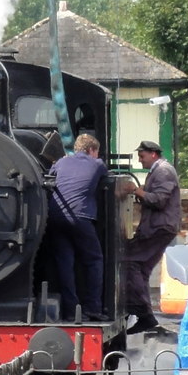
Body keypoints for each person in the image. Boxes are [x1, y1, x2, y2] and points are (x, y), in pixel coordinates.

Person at [48, 133, 109, 322]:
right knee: (94, 260)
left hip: (55, 216)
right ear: (92, 150)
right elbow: (107, 179)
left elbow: (50, 177)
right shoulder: (97, 164)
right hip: (80, 217)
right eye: (96, 152)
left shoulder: (60, 163)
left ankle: (70, 311)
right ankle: (92, 308)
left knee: (65, 263)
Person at [123, 140, 181, 334]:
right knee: (143, 269)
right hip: (157, 227)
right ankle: (144, 313)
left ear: (153, 154)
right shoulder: (158, 171)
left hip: (159, 228)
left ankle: (143, 313)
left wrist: (136, 190)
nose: (140, 161)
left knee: (131, 261)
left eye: (142, 156)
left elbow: (159, 200)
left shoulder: (163, 171)